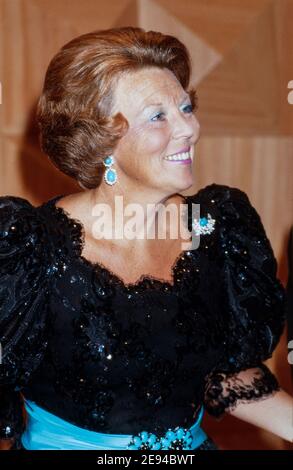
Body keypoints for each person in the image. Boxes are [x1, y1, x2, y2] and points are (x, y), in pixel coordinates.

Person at [0, 26, 292, 451]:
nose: (188, 128)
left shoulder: (217, 229)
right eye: (158, 116)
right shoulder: (31, 250)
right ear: (103, 142)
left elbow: (224, 374)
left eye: (186, 107)